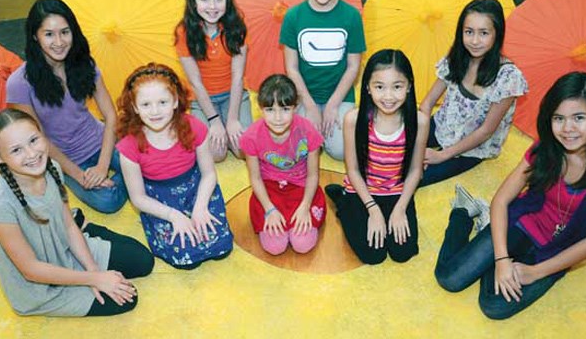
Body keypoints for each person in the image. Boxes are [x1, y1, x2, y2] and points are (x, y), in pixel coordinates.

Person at [434, 72, 586, 319]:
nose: (567, 129)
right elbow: (501, 200)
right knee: (449, 278)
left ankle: (490, 243)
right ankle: (463, 213)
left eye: (579, 118)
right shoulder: (546, 147)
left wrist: (537, 272)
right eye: (559, 118)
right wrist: (501, 259)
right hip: (521, 222)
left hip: (560, 247)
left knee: (494, 306)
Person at [0, 108, 154, 317]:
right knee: (128, 299)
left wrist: (94, 271)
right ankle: (87, 231)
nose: (31, 154)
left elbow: (69, 227)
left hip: (65, 246)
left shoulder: (51, 167)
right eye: (16, 150)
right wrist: (94, 280)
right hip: (40, 284)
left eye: (34, 140)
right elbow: (30, 269)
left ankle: (88, 228)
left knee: (144, 261)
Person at [6, 0, 127, 213]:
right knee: (108, 201)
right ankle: (130, 178)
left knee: (151, 167)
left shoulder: (85, 64)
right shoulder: (19, 83)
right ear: (35, 36)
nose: (59, 42)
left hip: (100, 139)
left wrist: (102, 165)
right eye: (49, 34)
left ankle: (130, 175)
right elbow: (37, 139)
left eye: (65, 32)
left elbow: (110, 116)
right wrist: (81, 175)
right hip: (64, 157)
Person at [116, 63, 233, 269]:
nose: (154, 111)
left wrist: (200, 207)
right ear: (134, 107)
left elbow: (208, 174)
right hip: (160, 200)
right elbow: (138, 198)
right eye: (145, 104)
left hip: (196, 189)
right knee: (185, 255)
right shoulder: (128, 145)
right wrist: (173, 216)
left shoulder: (194, 126)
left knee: (219, 244)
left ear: (175, 101)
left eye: (162, 102)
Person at [325, 49, 429, 265]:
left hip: (396, 191)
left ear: (409, 86)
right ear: (367, 88)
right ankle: (343, 203)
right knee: (374, 256)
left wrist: (400, 208)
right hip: (363, 189)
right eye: (379, 86)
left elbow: (416, 170)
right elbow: (352, 170)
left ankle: (380, 209)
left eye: (397, 86)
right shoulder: (354, 119)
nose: (388, 96)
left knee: (403, 253)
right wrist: (372, 209)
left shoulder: (419, 121)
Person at [418, 0, 528, 187]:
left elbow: (485, 131)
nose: (475, 41)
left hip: (472, 146)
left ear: (497, 34)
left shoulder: (508, 77)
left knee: (414, 178)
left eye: (484, 33)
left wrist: (441, 155)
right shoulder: (456, 58)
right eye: (469, 32)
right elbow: (427, 103)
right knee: (393, 153)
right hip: (443, 124)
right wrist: (419, 142)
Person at [279, 0, 366, 160]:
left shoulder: (351, 16)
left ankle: (332, 131)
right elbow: (291, 67)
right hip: (304, 95)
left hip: (339, 94)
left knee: (340, 152)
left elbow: (354, 65)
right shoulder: (293, 16)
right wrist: (309, 105)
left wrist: (333, 104)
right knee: (302, 152)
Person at [239, 74, 326, 255]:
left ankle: (303, 214)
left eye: (285, 109)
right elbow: (255, 178)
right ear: (260, 108)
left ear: (296, 107)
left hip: (302, 189)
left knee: (302, 244)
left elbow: (312, 175)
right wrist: (269, 209)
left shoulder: (308, 130)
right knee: (275, 247)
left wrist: (304, 206)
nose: (278, 118)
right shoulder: (251, 137)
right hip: (269, 191)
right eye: (270, 109)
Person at [175, 0, 251, 162]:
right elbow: (196, 83)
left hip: (233, 95)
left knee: (244, 150)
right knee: (216, 154)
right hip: (202, 100)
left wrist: (232, 120)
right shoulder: (184, 32)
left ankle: (230, 120)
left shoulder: (237, 27)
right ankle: (194, 123)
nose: (212, 6)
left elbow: (237, 77)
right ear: (194, 2)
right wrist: (214, 121)